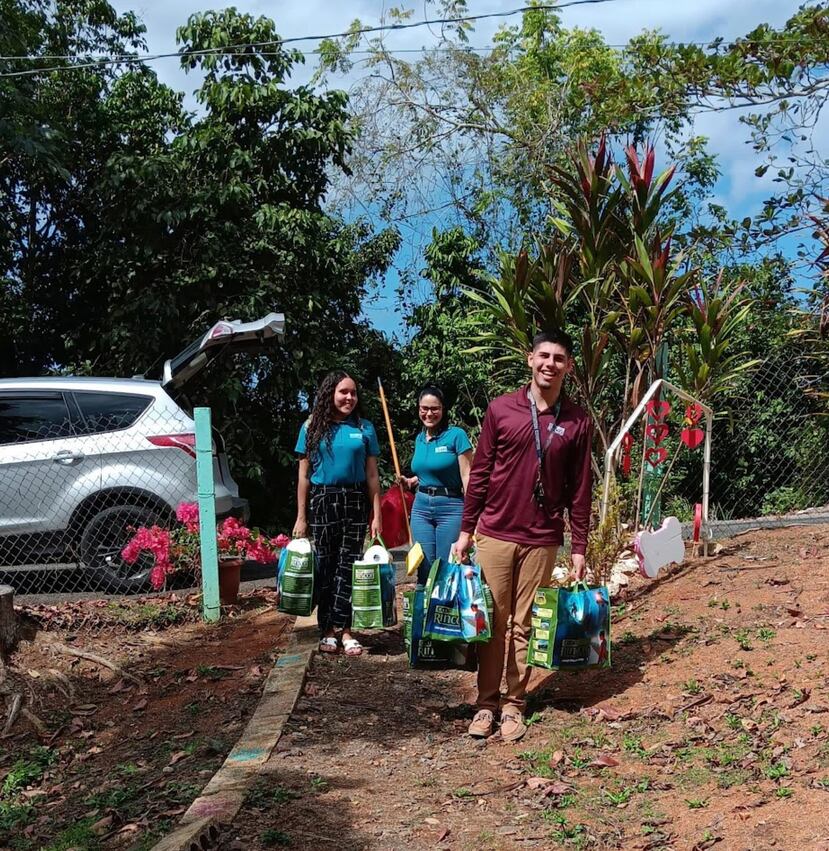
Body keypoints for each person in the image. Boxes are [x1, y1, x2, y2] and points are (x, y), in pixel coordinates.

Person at [452, 330, 593, 742]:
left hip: (543, 536)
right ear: (530, 359)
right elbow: (479, 475)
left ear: (568, 366)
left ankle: (514, 704)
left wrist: (579, 545)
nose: (550, 364)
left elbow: (580, 488)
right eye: (544, 356)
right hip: (495, 532)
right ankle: (485, 703)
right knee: (493, 621)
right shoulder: (502, 410)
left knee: (524, 623)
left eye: (559, 358)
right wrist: (465, 531)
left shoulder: (577, 421)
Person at [293, 370, 382, 657]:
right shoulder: (311, 428)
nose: (349, 398)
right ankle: (327, 629)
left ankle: (346, 630)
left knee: (350, 565)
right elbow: (304, 476)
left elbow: (372, 475)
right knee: (327, 565)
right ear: (330, 393)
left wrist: (376, 515)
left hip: (355, 499)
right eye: (344, 392)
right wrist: (301, 516)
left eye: (354, 392)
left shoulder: (365, 428)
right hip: (323, 499)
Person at [400, 385, 473, 584]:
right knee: (423, 566)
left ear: (443, 409)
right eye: (424, 408)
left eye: (434, 408)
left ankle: (445, 613)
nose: (429, 413)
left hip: (451, 507)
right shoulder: (419, 438)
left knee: (445, 567)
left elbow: (467, 476)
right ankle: (423, 613)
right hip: (421, 508)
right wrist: (410, 481)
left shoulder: (456, 435)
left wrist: (472, 518)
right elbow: (426, 471)